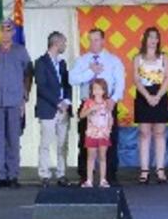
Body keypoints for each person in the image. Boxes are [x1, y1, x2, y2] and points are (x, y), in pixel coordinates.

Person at [0, 18, 32, 188]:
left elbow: (28, 74)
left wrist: (25, 97)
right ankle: (0, 175)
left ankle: (13, 175)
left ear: (13, 32)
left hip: (15, 101)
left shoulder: (20, 51)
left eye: (9, 30)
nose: (5, 34)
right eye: (2, 30)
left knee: (13, 139)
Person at [70, 29, 126, 185]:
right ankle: (85, 176)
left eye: (96, 40)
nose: (92, 43)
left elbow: (120, 83)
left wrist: (113, 100)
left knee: (109, 141)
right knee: (85, 141)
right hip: (88, 105)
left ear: (103, 41)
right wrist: (90, 71)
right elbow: (72, 79)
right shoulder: (82, 60)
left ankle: (109, 176)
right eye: (90, 40)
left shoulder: (113, 60)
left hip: (107, 105)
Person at [133, 27, 168, 185]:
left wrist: (158, 96)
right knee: (144, 133)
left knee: (160, 133)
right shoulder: (138, 58)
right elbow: (136, 80)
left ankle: (160, 169)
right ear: (145, 39)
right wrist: (148, 96)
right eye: (150, 37)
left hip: (160, 94)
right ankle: (144, 170)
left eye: (156, 37)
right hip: (143, 95)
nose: (153, 40)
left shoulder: (164, 57)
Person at [34, 31, 73, 187]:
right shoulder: (41, 62)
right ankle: (44, 174)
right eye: (63, 42)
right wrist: (57, 103)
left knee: (63, 143)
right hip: (48, 108)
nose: (65, 45)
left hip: (64, 109)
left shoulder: (62, 63)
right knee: (46, 143)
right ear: (56, 43)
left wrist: (67, 101)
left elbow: (67, 84)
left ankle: (61, 173)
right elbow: (42, 87)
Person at [79, 78, 114, 188]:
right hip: (92, 134)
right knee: (91, 157)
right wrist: (90, 109)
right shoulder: (89, 102)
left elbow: (110, 117)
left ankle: (103, 180)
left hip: (103, 134)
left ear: (104, 91)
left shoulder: (107, 103)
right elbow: (81, 115)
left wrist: (109, 129)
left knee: (103, 157)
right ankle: (89, 180)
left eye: (100, 89)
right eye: (95, 89)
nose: (97, 91)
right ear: (91, 90)